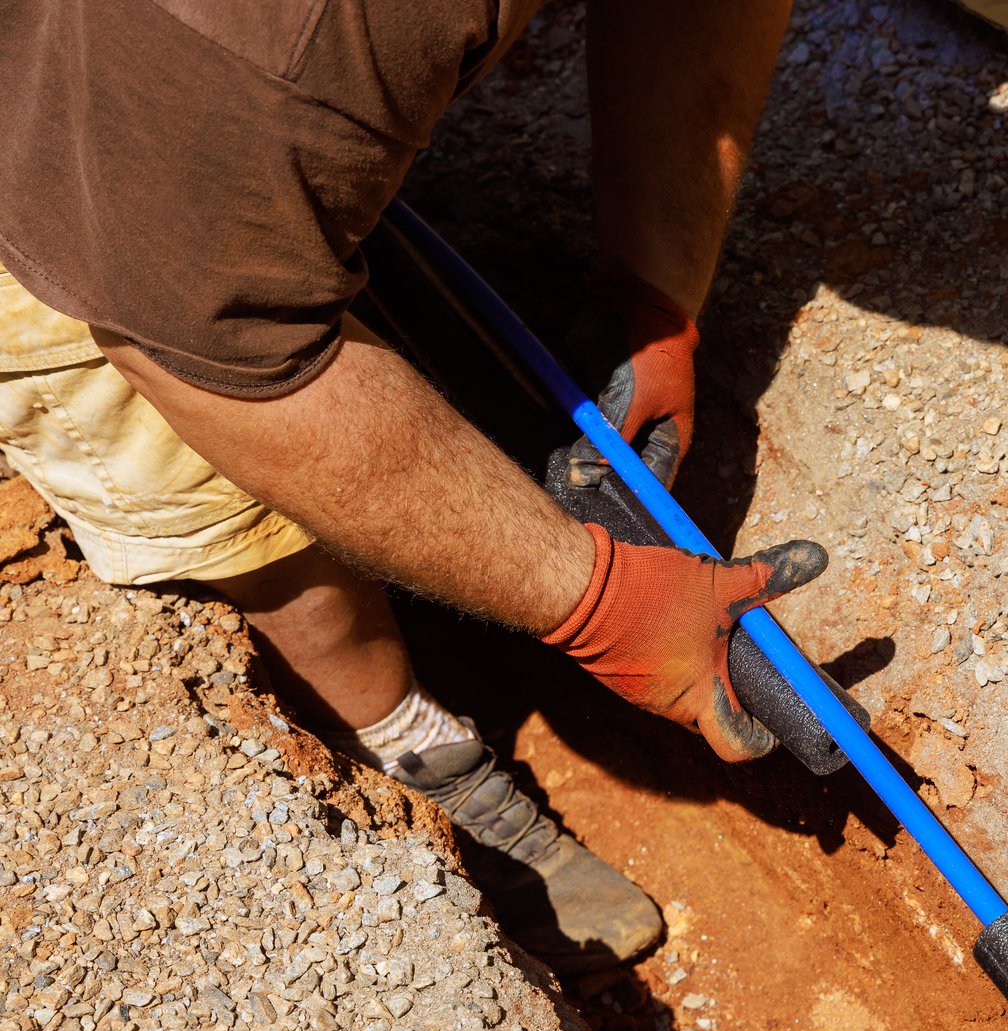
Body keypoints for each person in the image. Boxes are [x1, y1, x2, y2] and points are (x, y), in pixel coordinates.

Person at [0, 0, 814, 976]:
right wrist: (601, 605)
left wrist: (657, 298)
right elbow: (212, 352)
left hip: (207, 116)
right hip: (72, 179)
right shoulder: (260, 46)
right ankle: (425, 755)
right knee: (242, 514)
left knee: (269, 213)